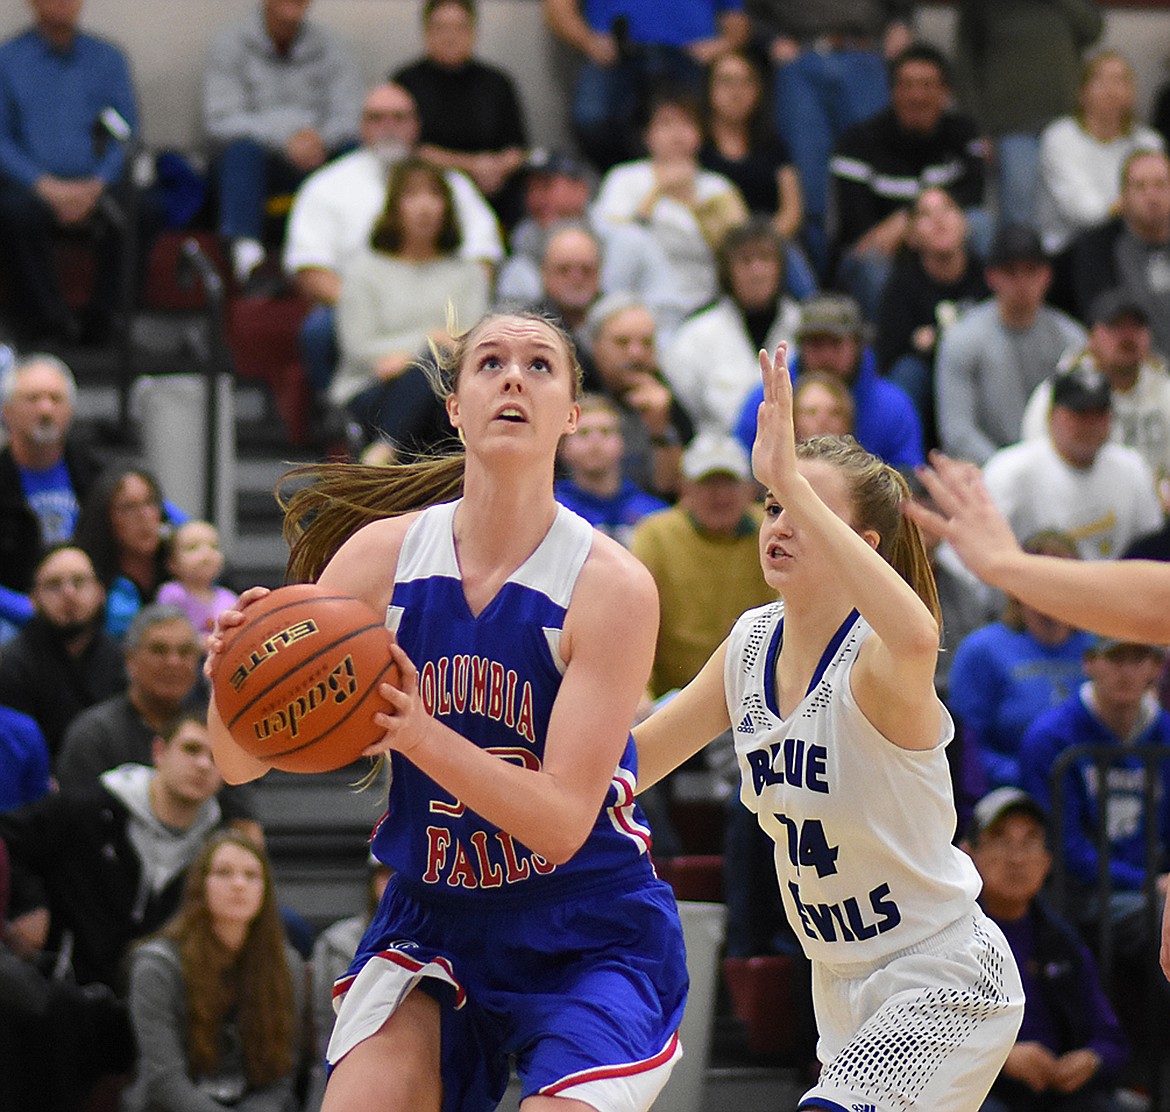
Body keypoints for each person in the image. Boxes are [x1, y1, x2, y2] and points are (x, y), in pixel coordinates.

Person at [206, 311, 689, 1112]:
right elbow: (237, 761)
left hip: (587, 924)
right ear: (456, 407)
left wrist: (417, 731)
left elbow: (562, 823)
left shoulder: (612, 586)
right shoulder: (379, 559)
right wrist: (235, 677)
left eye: (539, 367)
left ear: (571, 414)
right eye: (490, 363)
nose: (511, 377)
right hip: (434, 915)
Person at [634, 342, 1023, 1110]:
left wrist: (790, 481)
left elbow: (917, 633)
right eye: (773, 504)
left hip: (941, 973)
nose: (779, 520)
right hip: (839, 985)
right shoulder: (748, 644)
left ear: (862, 548)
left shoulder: (880, 660)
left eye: (805, 508)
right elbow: (633, 761)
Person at [282, 80, 503, 399]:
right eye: (377, 118)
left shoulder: (453, 185)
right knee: (320, 328)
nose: (389, 127)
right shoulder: (326, 185)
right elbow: (310, 269)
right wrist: (373, 301)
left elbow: (482, 260)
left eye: (399, 118)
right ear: (362, 126)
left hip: (444, 308)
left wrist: (443, 312)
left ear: (416, 125)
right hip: (357, 303)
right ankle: (334, 421)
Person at [0, 710, 225, 993]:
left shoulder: (218, 851)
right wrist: (29, 902)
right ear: (159, 751)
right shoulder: (88, 810)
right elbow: (5, 839)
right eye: (191, 749)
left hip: (153, 1004)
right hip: (68, 996)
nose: (203, 765)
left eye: (216, 757)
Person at [964, 787, 1130, 1112]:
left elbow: (1111, 1038)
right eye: (1001, 840)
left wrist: (1091, 1059)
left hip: (1057, 1095)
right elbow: (922, 1042)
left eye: (1029, 842)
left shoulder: (1061, 940)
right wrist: (1002, 1058)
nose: (1016, 857)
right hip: (980, 1090)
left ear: (1046, 862)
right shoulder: (947, 940)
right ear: (968, 855)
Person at [122, 830, 308, 1112]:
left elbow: (280, 1080)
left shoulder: (286, 966)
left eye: (251, 875)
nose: (238, 884)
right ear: (200, 886)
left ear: (265, 890)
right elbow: (165, 1080)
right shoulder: (156, 966)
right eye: (224, 873)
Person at [1021, 636, 1170, 979]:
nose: (1126, 671)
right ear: (1089, 663)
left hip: (1154, 887)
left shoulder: (1164, 732)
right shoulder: (1051, 738)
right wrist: (1149, 882)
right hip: (1080, 894)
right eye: (1115, 658)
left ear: (1156, 667)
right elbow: (1065, 849)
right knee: (1164, 915)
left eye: (1138, 658)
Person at [0, 0, 144, 344]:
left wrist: (97, 184)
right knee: (12, 212)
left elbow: (128, 134)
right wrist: (44, 186)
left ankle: (106, 320)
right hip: (33, 187)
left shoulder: (108, 58)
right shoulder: (7, 60)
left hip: (98, 185)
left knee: (146, 206)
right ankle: (46, 325)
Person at [330, 158, 490, 459]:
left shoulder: (468, 274)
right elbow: (359, 348)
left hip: (449, 391)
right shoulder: (364, 272)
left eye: (434, 195)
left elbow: (472, 345)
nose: (425, 207)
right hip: (373, 388)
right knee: (434, 360)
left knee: (438, 371)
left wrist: (414, 356)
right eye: (412, 196)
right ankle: (387, 450)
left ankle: (383, 453)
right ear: (394, 207)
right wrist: (426, 345)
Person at [56, 603, 258, 835]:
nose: (173, 662)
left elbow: (245, 831)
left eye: (184, 652)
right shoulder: (94, 735)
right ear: (130, 659)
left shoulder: (216, 734)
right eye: (159, 650)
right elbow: (73, 830)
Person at [745, 0, 913, 278]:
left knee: (878, 174)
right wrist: (770, 39)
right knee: (808, 184)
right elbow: (750, 11)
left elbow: (901, 10)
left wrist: (901, 22)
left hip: (865, 52)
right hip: (802, 57)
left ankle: (874, 280)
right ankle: (820, 286)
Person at [203, 0, 362, 287]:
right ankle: (249, 263)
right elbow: (220, 120)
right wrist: (285, 139)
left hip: (319, 153)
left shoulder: (332, 45)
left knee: (354, 153)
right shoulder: (231, 44)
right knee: (240, 151)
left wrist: (318, 139)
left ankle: (353, 257)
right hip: (260, 160)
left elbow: (351, 115)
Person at [829, 42, 988, 323]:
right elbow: (859, 231)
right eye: (907, 85)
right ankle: (884, 351)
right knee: (872, 264)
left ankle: (983, 326)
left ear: (945, 92)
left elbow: (972, 198)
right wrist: (925, 221)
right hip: (881, 253)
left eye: (927, 85)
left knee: (983, 225)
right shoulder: (857, 142)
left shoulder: (963, 133)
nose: (917, 96)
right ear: (893, 92)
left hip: (940, 242)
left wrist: (911, 221)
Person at [948, 531, 1094, 794]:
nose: (1052, 592)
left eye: (1064, 580)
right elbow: (965, 748)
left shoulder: (1098, 647)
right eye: (1041, 580)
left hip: (1093, 792)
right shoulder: (983, 650)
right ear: (1015, 587)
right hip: (1011, 796)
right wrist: (1029, 775)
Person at [630, 431, 773, 699]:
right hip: (672, 696)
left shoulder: (771, 532)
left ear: (750, 489)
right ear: (685, 488)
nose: (720, 495)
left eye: (729, 483)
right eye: (708, 484)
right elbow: (631, 619)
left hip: (758, 694)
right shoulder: (656, 535)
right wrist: (640, 692)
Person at [495, 149, 687, 344]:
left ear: (581, 190)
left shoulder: (629, 242)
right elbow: (507, 329)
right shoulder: (521, 255)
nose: (537, 199)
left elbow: (668, 311)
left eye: (546, 187)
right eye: (530, 190)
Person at [935, 224, 1086, 466]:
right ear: (991, 277)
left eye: (1031, 271)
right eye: (1010, 272)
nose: (1021, 282)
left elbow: (1083, 417)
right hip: (987, 473)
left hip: (1059, 468)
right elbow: (957, 432)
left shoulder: (1071, 339)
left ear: (1047, 275)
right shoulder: (962, 339)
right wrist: (1008, 472)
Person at [982, 362, 1164, 561]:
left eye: (1099, 414)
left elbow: (1152, 550)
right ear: (1051, 416)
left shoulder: (1132, 467)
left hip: (1114, 587)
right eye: (1080, 414)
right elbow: (981, 561)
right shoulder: (1008, 472)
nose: (1090, 425)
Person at [543, 0, 750, 172]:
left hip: (693, 55)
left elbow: (736, 18)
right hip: (616, 53)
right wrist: (589, 42)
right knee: (591, 120)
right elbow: (558, 8)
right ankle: (629, 184)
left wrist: (721, 46)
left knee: (710, 124)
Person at [593, 88, 749, 314]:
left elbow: (738, 249)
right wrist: (657, 192)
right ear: (648, 135)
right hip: (639, 302)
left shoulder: (717, 187)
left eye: (686, 124)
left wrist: (694, 204)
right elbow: (615, 243)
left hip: (707, 302)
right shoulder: (624, 178)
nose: (677, 134)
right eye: (665, 124)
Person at [951, 0, 1103, 230]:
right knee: (1019, 220)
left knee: (1076, 213)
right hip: (1011, 124)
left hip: (1067, 122)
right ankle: (1019, 266)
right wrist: (977, 126)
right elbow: (965, 62)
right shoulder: (982, 7)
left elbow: (1092, 30)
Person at [734, 291, 925, 469]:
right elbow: (741, 467)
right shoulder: (767, 402)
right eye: (816, 344)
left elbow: (908, 479)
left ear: (857, 345)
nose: (826, 355)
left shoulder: (893, 408)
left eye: (835, 343)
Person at [391, 0, 529, 228]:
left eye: (459, 28)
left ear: (473, 32)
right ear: (426, 33)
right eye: (441, 28)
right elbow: (411, 149)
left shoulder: (496, 81)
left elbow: (517, 148)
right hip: (432, 183)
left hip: (494, 186)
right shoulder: (406, 83)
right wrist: (473, 167)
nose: (450, 37)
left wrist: (497, 168)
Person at [664, 215, 801, 436]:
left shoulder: (803, 328)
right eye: (746, 261)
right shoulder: (695, 336)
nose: (757, 271)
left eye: (765, 259)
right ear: (727, 271)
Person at [1022, 290, 1170, 495]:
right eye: (1115, 327)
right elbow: (1039, 463)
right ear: (1091, 338)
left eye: (1137, 327)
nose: (1128, 336)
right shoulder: (1059, 392)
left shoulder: (1163, 384)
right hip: (1080, 502)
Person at [875, 185, 989, 448]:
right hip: (929, 387)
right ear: (912, 236)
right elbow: (888, 358)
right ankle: (907, 466)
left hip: (979, 376)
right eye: (926, 215)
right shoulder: (901, 287)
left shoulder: (988, 276)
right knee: (908, 372)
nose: (938, 221)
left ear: (965, 223)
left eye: (947, 209)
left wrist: (931, 341)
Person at [700, 48, 812, 294]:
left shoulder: (773, 146)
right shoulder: (698, 148)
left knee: (785, 257)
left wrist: (761, 243)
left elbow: (792, 210)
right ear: (709, 89)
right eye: (726, 82)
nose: (736, 92)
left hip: (771, 239)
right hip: (714, 243)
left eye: (745, 82)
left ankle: (808, 323)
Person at [0, 544, 125, 760]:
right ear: (33, 598)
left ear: (100, 592)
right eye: (53, 585)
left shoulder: (121, 659)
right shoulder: (10, 665)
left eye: (79, 582)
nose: (69, 594)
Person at [1036, 50, 1164, 257]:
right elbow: (1086, 213)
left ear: (1133, 93)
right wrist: (1138, 203)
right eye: (1101, 81)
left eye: (1121, 81)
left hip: (1137, 247)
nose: (1111, 90)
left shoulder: (1149, 142)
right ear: (1082, 92)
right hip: (1069, 248)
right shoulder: (1059, 137)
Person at [0, 354, 100, 600]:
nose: (45, 409)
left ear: (70, 411)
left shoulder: (98, 475)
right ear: (7, 412)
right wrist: (25, 610)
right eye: (32, 399)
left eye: (55, 399)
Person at [1060, 148, 1170, 360]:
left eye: (1160, 185)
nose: (1152, 196)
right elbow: (1100, 321)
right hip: (1134, 374)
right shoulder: (1097, 248)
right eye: (1140, 187)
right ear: (1123, 197)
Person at [584, 293, 694, 499]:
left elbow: (673, 490)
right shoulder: (574, 392)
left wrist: (660, 428)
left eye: (646, 343)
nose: (636, 353)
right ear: (595, 346)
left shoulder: (665, 396)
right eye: (622, 342)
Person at [305, 855, 393, 1110]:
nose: (394, 884)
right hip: (343, 1078)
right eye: (386, 874)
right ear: (372, 881)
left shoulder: (442, 950)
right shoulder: (335, 945)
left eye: (404, 874)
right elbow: (326, 1035)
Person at [554, 392, 667, 548]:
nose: (595, 441)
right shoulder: (551, 512)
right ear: (562, 447)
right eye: (583, 433)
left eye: (605, 431)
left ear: (622, 443)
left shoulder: (655, 514)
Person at [74, 465, 175, 638]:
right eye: (129, 507)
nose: (144, 515)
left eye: (150, 502)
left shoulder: (178, 568)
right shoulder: (91, 580)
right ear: (106, 518)